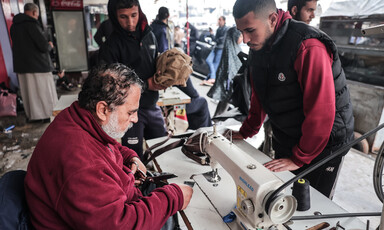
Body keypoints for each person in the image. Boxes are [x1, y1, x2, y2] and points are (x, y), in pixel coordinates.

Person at [24, 63, 193, 229]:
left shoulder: (76, 118)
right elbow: (120, 224)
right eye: (130, 112)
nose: (135, 119)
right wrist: (174, 198)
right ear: (103, 110)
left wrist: (129, 156)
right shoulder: (82, 165)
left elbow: (103, 143)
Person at [231, 0, 354, 199]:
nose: (244, 39)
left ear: (272, 19)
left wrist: (300, 158)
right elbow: (260, 93)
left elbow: (321, 111)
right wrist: (246, 131)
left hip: (325, 143)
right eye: (241, 31)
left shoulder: (308, 46)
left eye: (250, 30)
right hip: (289, 134)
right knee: (283, 196)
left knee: (311, 206)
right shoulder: (259, 44)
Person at [98, 0, 168, 159]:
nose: (130, 22)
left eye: (133, 15)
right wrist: (147, 84)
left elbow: (156, 63)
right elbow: (109, 84)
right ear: (114, 17)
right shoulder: (111, 46)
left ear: (140, 12)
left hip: (152, 105)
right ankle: (136, 184)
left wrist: (164, 76)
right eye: (123, 17)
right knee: (133, 157)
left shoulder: (150, 35)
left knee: (162, 152)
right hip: (127, 112)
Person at [10, 3, 58, 123]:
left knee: (29, 94)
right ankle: (47, 114)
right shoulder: (32, 25)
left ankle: (33, 117)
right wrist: (49, 46)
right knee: (43, 92)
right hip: (39, 66)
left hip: (22, 66)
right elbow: (42, 46)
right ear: (33, 13)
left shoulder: (14, 26)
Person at [207, 26, 243, 116]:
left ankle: (216, 121)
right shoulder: (231, 51)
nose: (242, 39)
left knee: (224, 105)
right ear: (235, 36)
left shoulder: (234, 48)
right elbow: (230, 69)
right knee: (224, 105)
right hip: (228, 85)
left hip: (230, 85)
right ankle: (216, 121)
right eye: (241, 36)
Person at [202, 16, 229, 86]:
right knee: (208, 60)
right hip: (216, 47)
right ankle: (212, 78)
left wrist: (214, 37)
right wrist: (212, 34)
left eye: (220, 20)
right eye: (218, 20)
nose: (219, 21)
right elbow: (215, 39)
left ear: (224, 21)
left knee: (215, 64)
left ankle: (210, 78)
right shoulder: (218, 29)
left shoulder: (226, 29)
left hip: (221, 48)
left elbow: (222, 40)